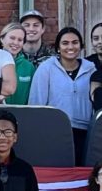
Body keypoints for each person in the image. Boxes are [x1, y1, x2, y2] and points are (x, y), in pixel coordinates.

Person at [28, 27, 96, 158]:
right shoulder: (46, 68)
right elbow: (36, 102)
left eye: (75, 42)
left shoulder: (91, 69)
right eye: (65, 43)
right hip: (54, 130)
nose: (70, 46)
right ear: (58, 47)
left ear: (81, 46)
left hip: (84, 132)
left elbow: (95, 102)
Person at [0, 23, 33, 104]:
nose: (16, 43)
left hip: (21, 115)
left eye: (20, 40)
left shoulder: (28, 67)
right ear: (2, 39)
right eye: (12, 38)